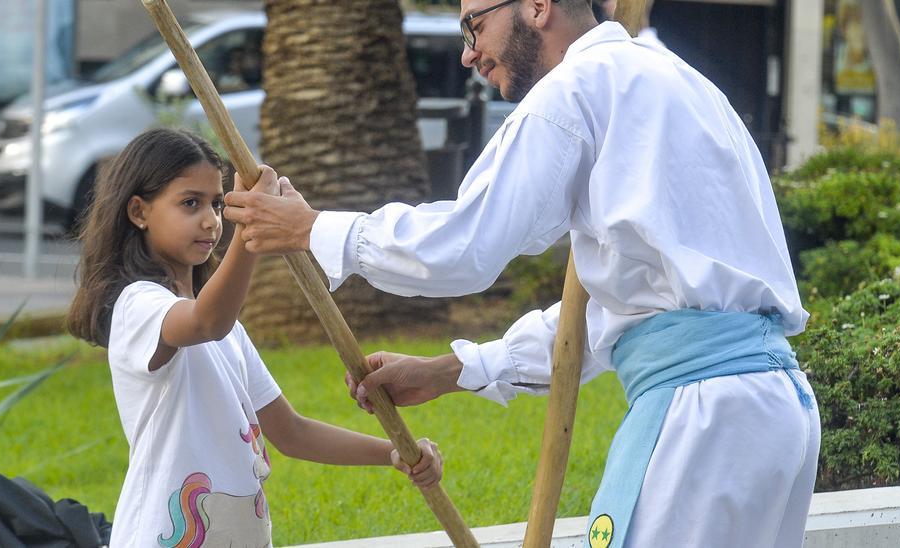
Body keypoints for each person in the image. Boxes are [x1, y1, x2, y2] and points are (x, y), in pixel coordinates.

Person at [224, 1, 819, 546]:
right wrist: (455, 370)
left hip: (706, 421)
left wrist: (313, 229)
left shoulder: (577, 90)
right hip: (779, 413)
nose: (468, 53)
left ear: (536, 6)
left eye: (474, 25)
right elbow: (630, 310)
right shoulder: (685, 83)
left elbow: (466, 243)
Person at [65, 128, 442, 547]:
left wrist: (393, 452)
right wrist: (251, 229)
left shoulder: (230, 333)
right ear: (139, 211)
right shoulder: (139, 307)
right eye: (190, 203)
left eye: (218, 203)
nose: (211, 219)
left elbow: (291, 432)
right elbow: (207, 320)